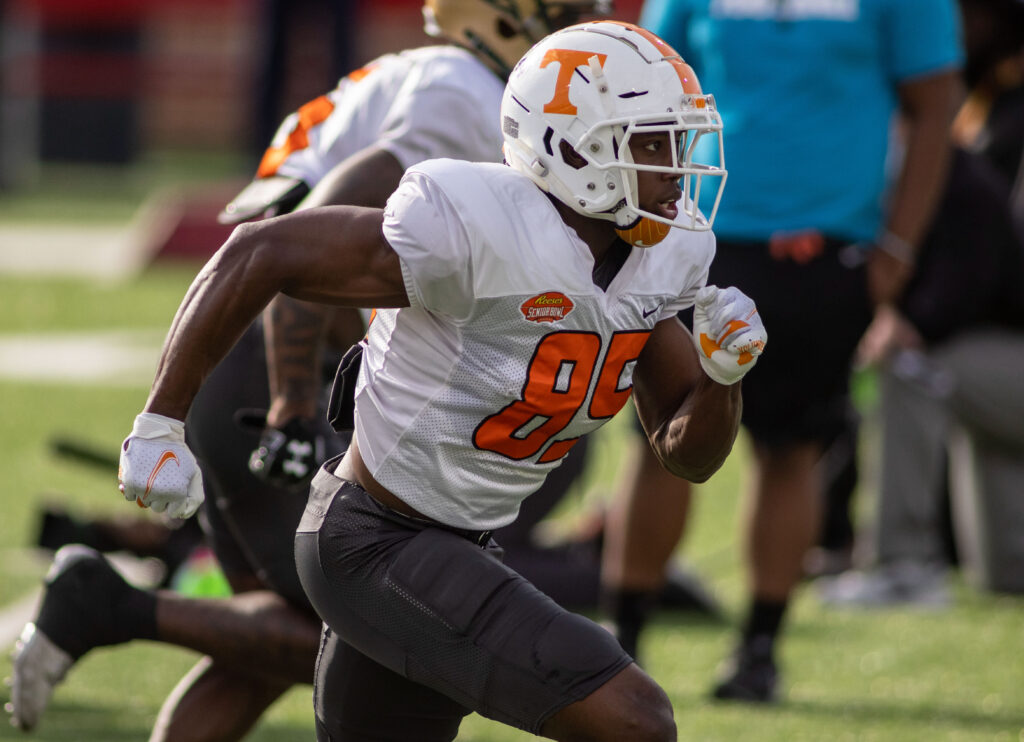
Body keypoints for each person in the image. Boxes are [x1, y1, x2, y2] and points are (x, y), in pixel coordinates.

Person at [116, 20, 767, 741]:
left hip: (458, 542)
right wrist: (160, 421)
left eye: (678, 144)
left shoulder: (656, 258)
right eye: (652, 144)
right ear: (572, 145)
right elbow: (261, 249)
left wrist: (722, 376)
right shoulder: (475, 226)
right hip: (373, 538)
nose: (677, 171)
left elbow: (687, 452)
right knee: (638, 721)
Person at [6, 2, 613, 738]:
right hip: (270, 362)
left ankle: (110, 604)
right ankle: (106, 603)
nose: (586, 19)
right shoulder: (464, 94)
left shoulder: (449, 77)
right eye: (567, 5)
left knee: (268, 649)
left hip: (257, 349)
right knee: (372, 623)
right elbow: (298, 243)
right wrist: (293, 399)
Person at [617, 0, 963, 703]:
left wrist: (898, 246)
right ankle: (620, 648)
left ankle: (759, 650)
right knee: (657, 444)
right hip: (697, 233)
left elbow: (936, 104)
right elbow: (644, 82)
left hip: (825, 245)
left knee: (792, 447)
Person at [819, 0, 1024, 606]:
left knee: (912, 369)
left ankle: (902, 565)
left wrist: (911, 323)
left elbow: (973, 280)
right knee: (1003, 576)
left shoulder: (958, 178)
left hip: (1005, 353)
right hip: (991, 364)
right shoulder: (883, 177)